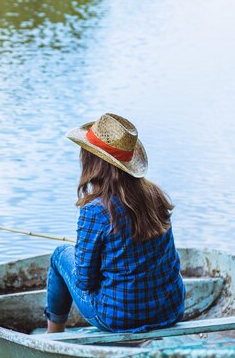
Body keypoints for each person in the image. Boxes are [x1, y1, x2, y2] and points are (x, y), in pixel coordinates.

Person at [45, 113, 185, 334]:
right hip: (171, 310)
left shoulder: (95, 211)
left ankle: (53, 334)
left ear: (92, 161)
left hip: (118, 319)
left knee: (59, 255)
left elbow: (84, 282)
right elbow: (172, 262)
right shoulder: (156, 194)